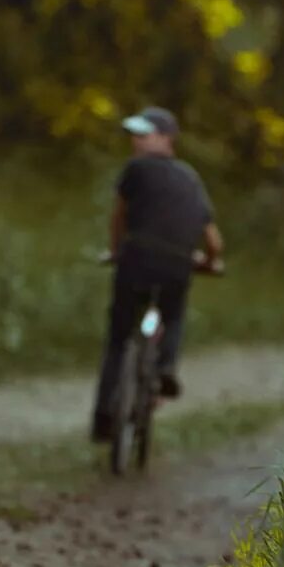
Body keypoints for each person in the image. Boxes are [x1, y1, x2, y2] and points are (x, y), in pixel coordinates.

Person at [91, 105, 224, 442]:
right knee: (174, 314)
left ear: (166, 139)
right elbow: (212, 239)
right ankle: (165, 367)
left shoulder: (136, 169)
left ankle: (105, 417)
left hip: (135, 258)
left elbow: (119, 216)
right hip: (178, 263)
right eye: (134, 135)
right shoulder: (191, 178)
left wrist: (115, 250)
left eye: (144, 134)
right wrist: (210, 262)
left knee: (119, 338)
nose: (136, 142)